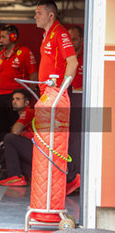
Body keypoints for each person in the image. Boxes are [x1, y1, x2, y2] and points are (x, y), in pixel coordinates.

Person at [34, 0, 80, 194]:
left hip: (57, 95)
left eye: (38, 13)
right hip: (48, 96)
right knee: (51, 140)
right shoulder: (47, 35)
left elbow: (73, 62)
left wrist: (61, 90)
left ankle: (72, 178)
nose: (35, 17)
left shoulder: (60, 33)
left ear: (50, 15)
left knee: (58, 140)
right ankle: (58, 183)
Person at [0, 25, 38, 144]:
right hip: (1, 97)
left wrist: (27, 98)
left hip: (16, 96)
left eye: (3, 37)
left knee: (16, 130)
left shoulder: (25, 52)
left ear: (13, 37)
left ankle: (16, 158)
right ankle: (2, 160)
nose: (0, 40)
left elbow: (34, 76)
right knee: (1, 130)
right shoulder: (1, 55)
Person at [0, 89, 34, 186]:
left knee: (9, 138)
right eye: (13, 99)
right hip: (34, 154)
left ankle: (15, 177)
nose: (14, 101)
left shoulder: (28, 111)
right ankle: (22, 177)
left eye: (18, 99)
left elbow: (15, 131)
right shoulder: (24, 113)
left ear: (27, 102)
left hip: (37, 150)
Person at [66, 26, 84, 195]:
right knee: (69, 140)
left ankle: (76, 177)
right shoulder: (66, 57)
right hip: (68, 99)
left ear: (82, 40)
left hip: (85, 101)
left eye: (75, 39)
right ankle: (71, 178)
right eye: (69, 39)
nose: (72, 42)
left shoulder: (89, 56)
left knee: (78, 141)